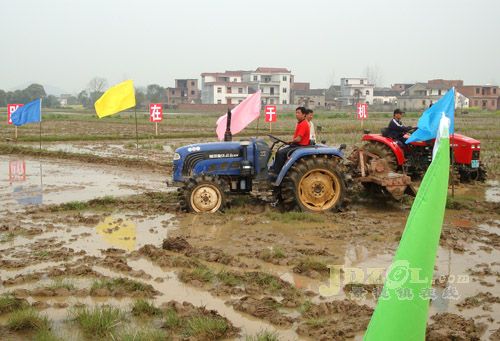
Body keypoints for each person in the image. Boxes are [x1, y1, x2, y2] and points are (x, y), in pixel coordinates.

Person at [272, 106, 310, 173]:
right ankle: (275, 168)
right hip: (296, 145)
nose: (296, 114)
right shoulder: (300, 123)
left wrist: (290, 141)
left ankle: (277, 172)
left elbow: (298, 139)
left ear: (304, 115)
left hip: (299, 146)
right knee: (280, 151)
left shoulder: (303, 124)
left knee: (280, 153)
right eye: (296, 113)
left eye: (298, 113)